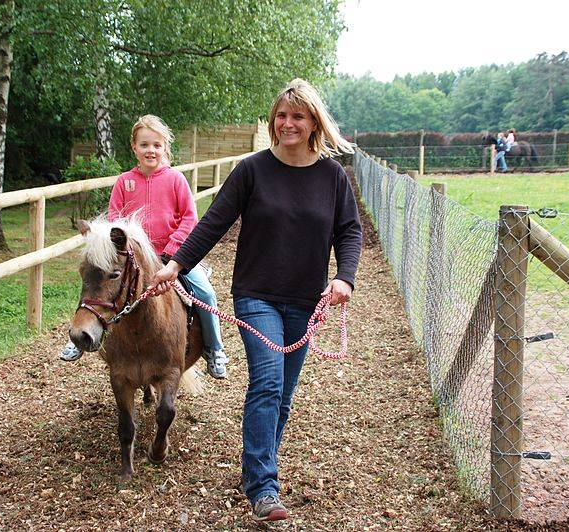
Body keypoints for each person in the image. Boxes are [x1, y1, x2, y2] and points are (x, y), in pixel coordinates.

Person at [149, 79, 362, 521]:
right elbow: (213, 222)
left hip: (306, 300)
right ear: (273, 122)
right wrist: (175, 265)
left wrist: (345, 278)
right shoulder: (253, 170)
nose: (288, 124)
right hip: (256, 296)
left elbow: (349, 231)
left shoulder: (332, 177)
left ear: (313, 122)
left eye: (297, 117)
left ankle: (257, 462)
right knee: (266, 381)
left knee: (282, 394)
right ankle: (264, 487)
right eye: (281, 116)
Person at [59, 114, 230, 380]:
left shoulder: (176, 180)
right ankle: (78, 338)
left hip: (172, 256)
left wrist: (173, 250)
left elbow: (189, 218)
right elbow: (114, 219)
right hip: (132, 257)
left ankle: (214, 349)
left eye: (157, 145)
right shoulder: (124, 182)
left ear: (165, 148)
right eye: (145, 145)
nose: (151, 150)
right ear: (134, 148)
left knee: (205, 294)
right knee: (96, 283)